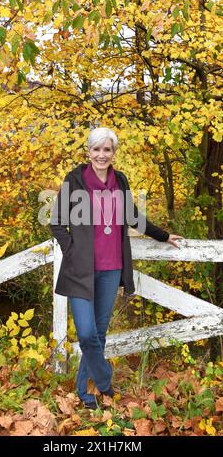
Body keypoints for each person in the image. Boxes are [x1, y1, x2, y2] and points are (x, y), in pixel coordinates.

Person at [50, 127, 184, 410]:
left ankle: (85, 394)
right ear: (88, 151)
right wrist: (71, 251)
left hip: (112, 268)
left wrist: (163, 235)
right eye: (96, 149)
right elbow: (57, 222)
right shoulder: (74, 180)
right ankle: (104, 380)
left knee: (98, 333)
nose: (101, 154)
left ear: (113, 153)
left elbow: (132, 216)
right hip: (80, 269)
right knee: (86, 333)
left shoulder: (120, 181)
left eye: (107, 150)